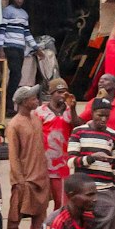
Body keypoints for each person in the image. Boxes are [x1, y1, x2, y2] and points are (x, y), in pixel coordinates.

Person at [67, 97, 115, 229]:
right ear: (92, 113)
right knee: (85, 221)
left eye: (107, 115)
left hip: (106, 187)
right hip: (84, 188)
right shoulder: (78, 132)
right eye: (100, 115)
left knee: (107, 219)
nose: (104, 119)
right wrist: (92, 158)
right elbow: (71, 161)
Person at [4, 87, 48, 229]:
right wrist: (19, 180)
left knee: (39, 218)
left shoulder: (36, 118)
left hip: (41, 178)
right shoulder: (14, 124)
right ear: (24, 102)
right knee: (15, 217)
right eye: (33, 98)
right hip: (25, 180)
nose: (37, 101)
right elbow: (13, 155)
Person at [78, 73, 115, 150]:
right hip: (98, 150)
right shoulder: (92, 103)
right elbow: (80, 123)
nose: (101, 82)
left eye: (105, 80)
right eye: (100, 80)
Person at [40, 79, 74, 212]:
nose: (62, 95)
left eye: (65, 92)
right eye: (59, 92)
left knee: (61, 204)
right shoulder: (40, 112)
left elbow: (77, 126)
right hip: (43, 166)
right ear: (51, 93)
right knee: (40, 205)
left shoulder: (70, 111)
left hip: (62, 167)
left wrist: (73, 108)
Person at [0, 0, 34, 92]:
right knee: (16, 73)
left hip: (20, 48)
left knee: (16, 75)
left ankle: (9, 99)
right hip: (10, 47)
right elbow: (2, 30)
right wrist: (0, 48)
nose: (19, 1)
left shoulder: (24, 14)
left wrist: (36, 47)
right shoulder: (7, 11)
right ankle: (9, 100)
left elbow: (27, 32)